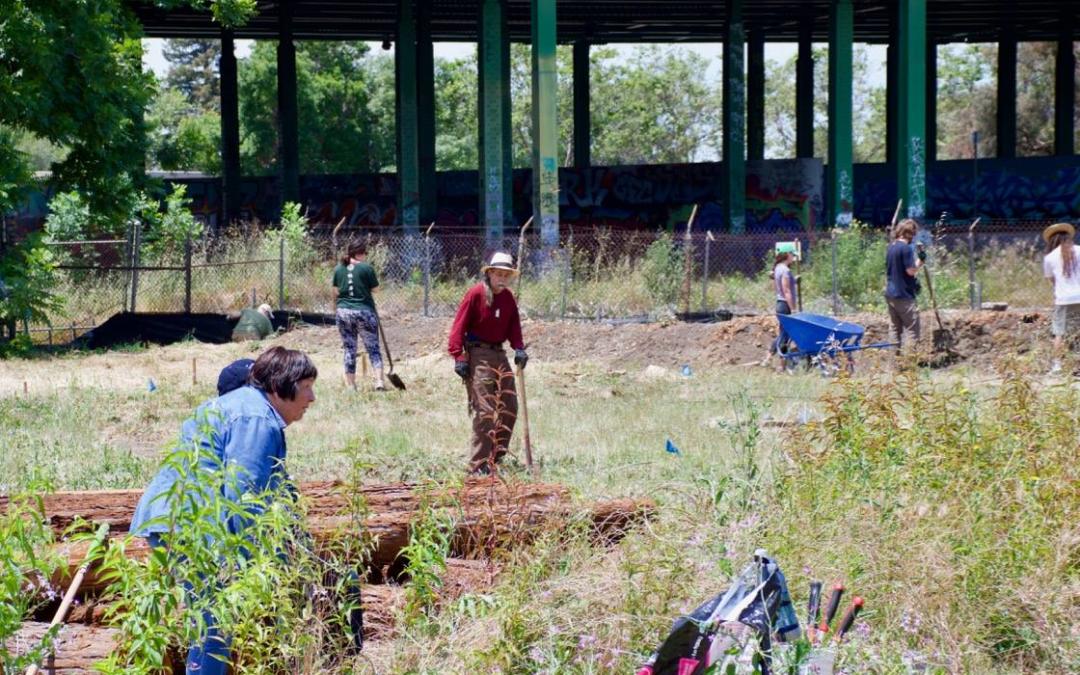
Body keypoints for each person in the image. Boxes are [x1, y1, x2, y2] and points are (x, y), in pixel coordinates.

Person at [130, 346, 318, 675]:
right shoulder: (256, 419)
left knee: (213, 621)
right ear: (280, 387)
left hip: (179, 520)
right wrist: (259, 566)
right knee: (216, 622)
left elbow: (274, 487)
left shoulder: (245, 408)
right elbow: (244, 500)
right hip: (194, 527)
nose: (312, 398)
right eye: (306, 387)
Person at [447, 251, 528, 474]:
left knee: (510, 405)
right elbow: (458, 326)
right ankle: (478, 464)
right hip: (478, 353)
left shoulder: (508, 298)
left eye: (506, 274)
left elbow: (514, 327)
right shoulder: (475, 294)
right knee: (485, 410)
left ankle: (496, 456)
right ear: (490, 273)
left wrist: (519, 348)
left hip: (499, 354)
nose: (502, 278)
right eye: (498, 274)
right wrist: (458, 356)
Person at [332, 241, 385, 391]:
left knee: (349, 349)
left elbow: (335, 292)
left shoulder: (338, 269)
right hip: (364, 311)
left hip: (343, 313)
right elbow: (376, 290)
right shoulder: (366, 268)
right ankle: (379, 382)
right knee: (373, 348)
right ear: (359, 253)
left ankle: (351, 386)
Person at [1042, 222, 1080, 372]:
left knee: (1060, 333)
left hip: (1063, 299)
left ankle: (1057, 365)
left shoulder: (1049, 258)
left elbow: (1052, 280)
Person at [885, 218, 925, 357]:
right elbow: (910, 271)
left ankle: (894, 363)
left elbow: (899, 269)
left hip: (891, 294)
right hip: (904, 295)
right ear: (910, 233)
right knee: (913, 329)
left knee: (895, 330)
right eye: (913, 233)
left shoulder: (891, 247)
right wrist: (921, 261)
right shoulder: (906, 248)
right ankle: (910, 363)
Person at [764, 251, 798, 369]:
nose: (793, 257)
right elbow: (786, 291)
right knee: (785, 335)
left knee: (784, 334)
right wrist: (793, 309)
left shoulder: (778, 268)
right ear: (787, 255)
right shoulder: (785, 270)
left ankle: (769, 358)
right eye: (792, 255)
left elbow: (775, 281)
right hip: (785, 305)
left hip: (780, 304)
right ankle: (781, 364)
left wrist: (794, 279)